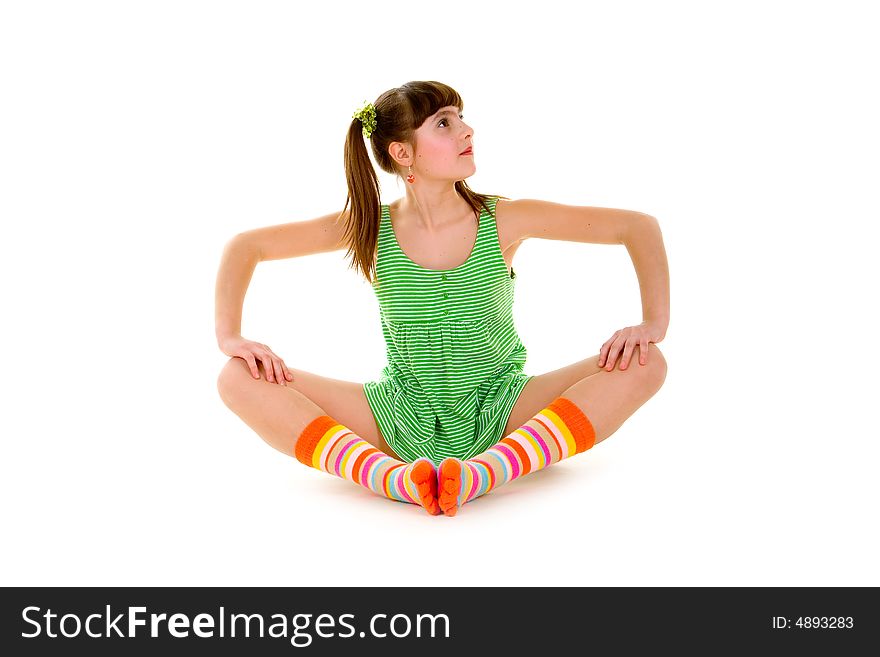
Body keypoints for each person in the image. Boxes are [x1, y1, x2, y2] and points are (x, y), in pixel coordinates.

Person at [215, 80, 670, 517]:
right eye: (443, 123)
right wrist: (231, 336)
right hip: (398, 414)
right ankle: (389, 477)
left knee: (648, 363)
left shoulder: (505, 219)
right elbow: (246, 247)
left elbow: (637, 227)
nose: (466, 130)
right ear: (402, 153)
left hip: (506, 406)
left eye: (461, 118)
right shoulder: (369, 228)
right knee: (236, 378)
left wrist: (653, 325)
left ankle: (485, 472)